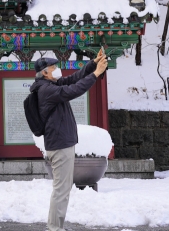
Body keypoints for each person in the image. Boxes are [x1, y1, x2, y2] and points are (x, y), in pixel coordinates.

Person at [31, 48, 108, 231]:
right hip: (59, 145)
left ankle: (55, 226)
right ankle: (54, 227)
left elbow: (74, 79)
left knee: (62, 188)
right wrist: (96, 74)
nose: (57, 69)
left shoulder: (52, 84)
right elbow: (74, 90)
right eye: (53, 67)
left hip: (61, 143)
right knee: (62, 189)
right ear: (45, 72)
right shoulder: (46, 90)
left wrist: (92, 64)